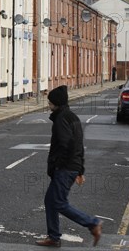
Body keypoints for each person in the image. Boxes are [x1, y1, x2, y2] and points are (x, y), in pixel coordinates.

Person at [36, 85, 102, 248]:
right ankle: (54, 237)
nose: (49, 104)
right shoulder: (71, 117)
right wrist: (80, 170)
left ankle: (92, 223)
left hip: (65, 168)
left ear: (56, 103)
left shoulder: (61, 119)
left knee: (59, 202)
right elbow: (79, 146)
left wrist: (59, 166)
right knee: (50, 200)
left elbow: (67, 145)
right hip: (71, 167)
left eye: (50, 102)